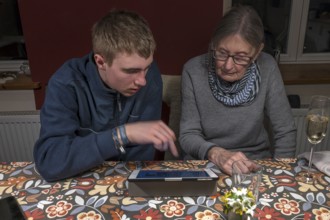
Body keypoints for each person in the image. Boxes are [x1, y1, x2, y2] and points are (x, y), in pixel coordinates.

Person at [34, 9, 178, 182]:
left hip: (126, 180)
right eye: (130, 71)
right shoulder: (65, 83)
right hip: (78, 179)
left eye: (146, 67)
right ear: (101, 61)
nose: (142, 81)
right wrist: (120, 135)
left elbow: (140, 158)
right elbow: (50, 163)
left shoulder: (150, 77)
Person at [179, 5, 296, 176]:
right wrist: (217, 154)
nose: (227, 65)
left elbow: (285, 131)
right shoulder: (193, 70)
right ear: (213, 44)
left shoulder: (268, 66)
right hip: (205, 163)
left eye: (240, 57)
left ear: (257, 53)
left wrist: (280, 175)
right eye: (221, 53)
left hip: (253, 164)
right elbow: (188, 135)